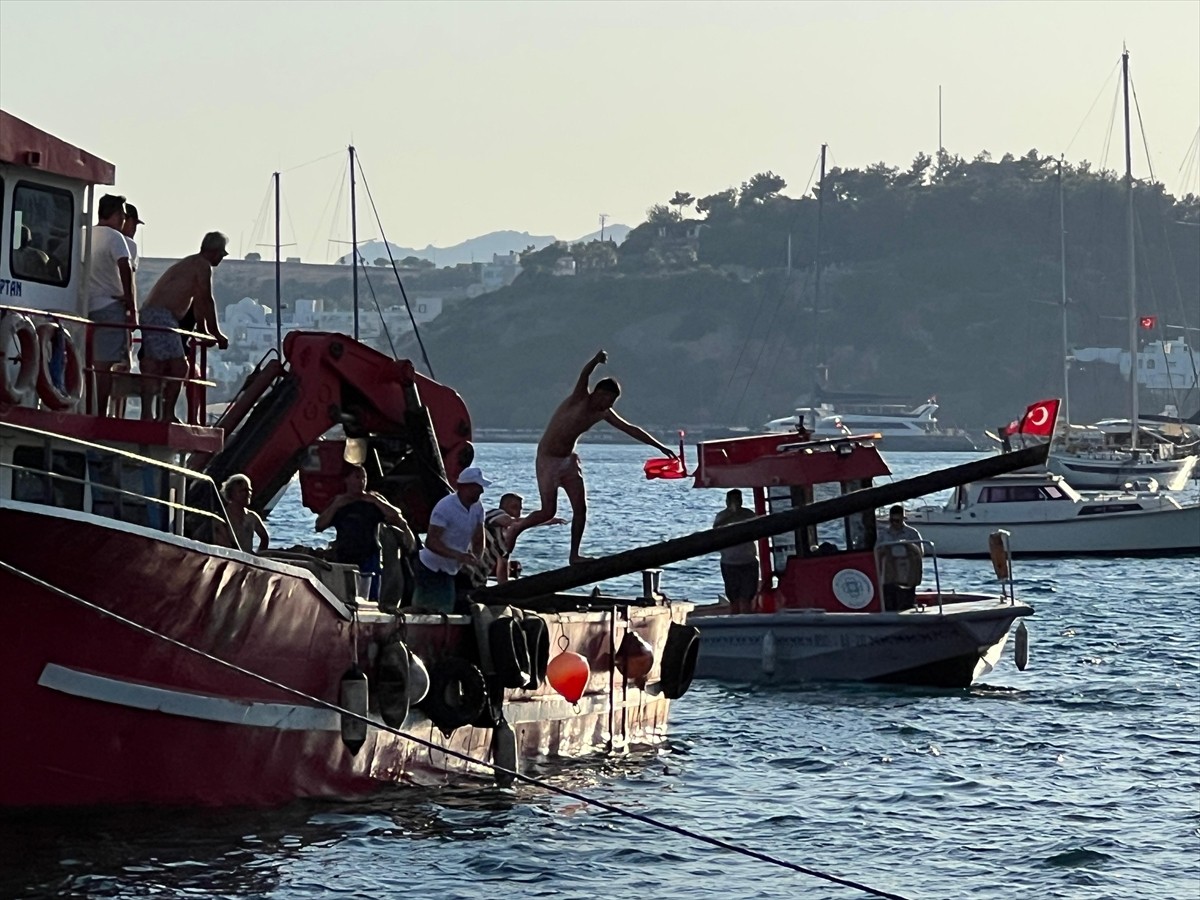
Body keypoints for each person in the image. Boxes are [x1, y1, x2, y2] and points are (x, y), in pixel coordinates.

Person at [508, 349, 676, 564]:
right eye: (608, 399)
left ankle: (574, 555)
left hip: (568, 460)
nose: (610, 405)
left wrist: (659, 446)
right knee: (548, 511)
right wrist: (596, 361)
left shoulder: (603, 413)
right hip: (548, 459)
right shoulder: (580, 399)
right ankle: (517, 528)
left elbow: (630, 429)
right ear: (598, 393)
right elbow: (584, 375)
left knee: (581, 509)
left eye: (613, 401)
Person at [138, 231, 230, 422]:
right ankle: (165, 414)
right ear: (214, 252)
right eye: (221, 253)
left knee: (158, 365)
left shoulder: (192, 264)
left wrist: (204, 331)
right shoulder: (202, 266)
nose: (222, 258)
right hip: (160, 316)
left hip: (159, 315)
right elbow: (207, 299)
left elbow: (198, 301)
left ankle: (153, 414)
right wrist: (217, 333)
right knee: (178, 366)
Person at [316, 465, 411, 601]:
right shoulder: (339, 502)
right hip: (345, 554)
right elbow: (320, 526)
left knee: (370, 598)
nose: (361, 481)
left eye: (364, 478)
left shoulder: (372, 500)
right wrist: (336, 505)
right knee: (345, 596)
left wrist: (376, 501)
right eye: (357, 477)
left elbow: (397, 516)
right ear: (347, 480)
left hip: (369, 555)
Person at [414, 467, 489, 612]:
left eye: (481, 488)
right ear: (463, 487)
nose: (481, 491)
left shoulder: (478, 508)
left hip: (451, 568)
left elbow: (479, 536)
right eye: (477, 487)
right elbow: (431, 542)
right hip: (430, 566)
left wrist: (477, 557)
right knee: (426, 609)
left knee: (446, 608)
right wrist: (459, 555)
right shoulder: (445, 507)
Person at [86, 194, 135, 416]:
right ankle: (100, 413)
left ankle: (84, 407)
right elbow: (125, 267)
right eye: (123, 215)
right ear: (115, 215)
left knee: (85, 363)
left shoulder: (84, 234)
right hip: (110, 307)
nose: (124, 220)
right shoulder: (116, 238)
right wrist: (131, 307)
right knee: (104, 368)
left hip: (85, 307)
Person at [478, 492, 564, 583]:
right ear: (507, 506)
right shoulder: (495, 513)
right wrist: (545, 520)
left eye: (520, 509)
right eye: (516, 508)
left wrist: (504, 586)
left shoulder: (505, 536)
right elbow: (511, 521)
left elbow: (503, 563)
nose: (519, 512)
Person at [713, 489, 759, 613]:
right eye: (732, 500)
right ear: (727, 502)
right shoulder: (722, 516)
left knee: (748, 595)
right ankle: (735, 616)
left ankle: (747, 618)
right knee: (733, 596)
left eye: (738, 500)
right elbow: (716, 530)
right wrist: (732, 515)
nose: (735, 503)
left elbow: (757, 529)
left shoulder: (748, 514)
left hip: (748, 560)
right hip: (729, 561)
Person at [875, 505, 924, 611]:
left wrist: (909, 547)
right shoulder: (883, 534)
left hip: (907, 571)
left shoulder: (912, 533)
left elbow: (920, 552)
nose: (894, 523)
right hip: (889, 573)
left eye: (897, 520)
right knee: (889, 601)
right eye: (892, 520)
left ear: (903, 518)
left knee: (906, 601)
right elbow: (877, 552)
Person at [215, 474, 269, 553]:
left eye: (249, 490)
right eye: (242, 490)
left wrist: (257, 556)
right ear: (231, 493)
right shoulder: (222, 516)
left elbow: (264, 538)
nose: (248, 494)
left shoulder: (252, 517)